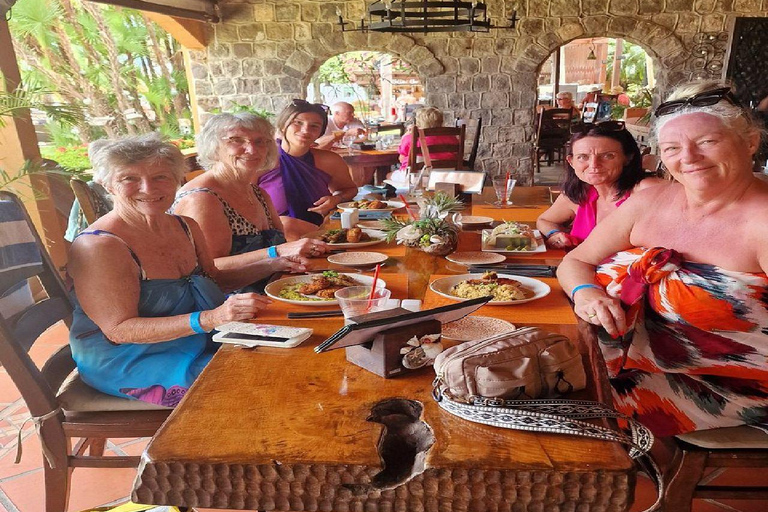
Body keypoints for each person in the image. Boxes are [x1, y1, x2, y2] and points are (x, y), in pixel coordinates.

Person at [557, 81, 768, 437]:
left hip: (720, 387)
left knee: (559, 419)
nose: (688, 157)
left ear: (749, 142)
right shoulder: (651, 201)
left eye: (707, 142)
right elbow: (575, 261)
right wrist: (586, 293)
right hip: (616, 362)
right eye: (672, 147)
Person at [67, 133, 287, 407]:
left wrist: (277, 262)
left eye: (160, 177)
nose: (148, 188)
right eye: (129, 178)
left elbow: (215, 281)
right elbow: (119, 331)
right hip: (132, 358)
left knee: (293, 361)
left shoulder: (185, 226)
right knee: (260, 391)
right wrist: (212, 318)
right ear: (108, 184)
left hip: (199, 338)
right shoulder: (99, 246)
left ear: (177, 180)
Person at [172, 113, 324, 291]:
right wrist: (277, 252)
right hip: (229, 306)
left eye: (260, 141)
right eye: (236, 140)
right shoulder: (201, 198)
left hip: (277, 289)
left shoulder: (257, 193)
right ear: (214, 148)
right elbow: (208, 268)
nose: (252, 149)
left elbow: (282, 247)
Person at [536, 120, 662, 249]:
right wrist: (555, 233)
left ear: (628, 158)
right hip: (577, 267)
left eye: (608, 156)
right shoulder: (579, 193)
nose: (594, 165)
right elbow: (544, 221)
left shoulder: (647, 190)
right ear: (571, 161)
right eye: (583, 157)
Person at [259, 99, 358, 240]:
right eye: (297, 123)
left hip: (321, 233)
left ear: (321, 132)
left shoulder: (330, 160)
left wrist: (336, 199)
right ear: (283, 125)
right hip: (274, 238)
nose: (305, 130)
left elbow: (349, 189)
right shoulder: (262, 160)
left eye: (314, 126)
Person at [389, 107, 460, 182]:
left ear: (419, 122)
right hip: (446, 176)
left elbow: (401, 159)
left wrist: (405, 136)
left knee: (389, 175)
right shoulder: (452, 137)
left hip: (417, 177)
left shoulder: (411, 138)